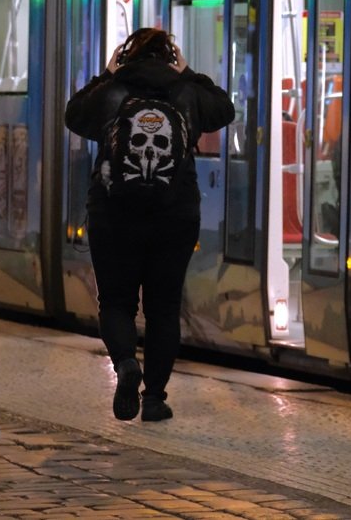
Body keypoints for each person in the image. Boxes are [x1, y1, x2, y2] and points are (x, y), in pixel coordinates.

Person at [65, 28, 234, 422]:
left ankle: (126, 363)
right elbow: (225, 109)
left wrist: (106, 75)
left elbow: (74, 115)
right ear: (170, 58)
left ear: (126, 57)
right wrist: (189, 73)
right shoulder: (186, 91)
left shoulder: (112, 91)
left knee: (116, 303)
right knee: (164, 308)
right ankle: (155, 398)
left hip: (114, 212)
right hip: (175, 215)